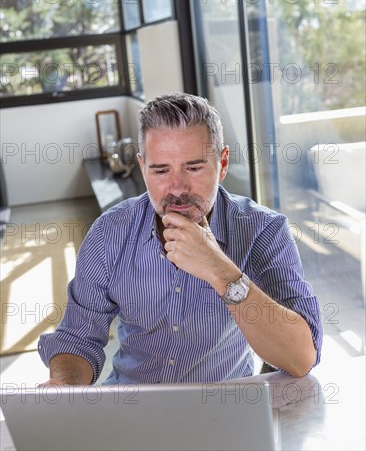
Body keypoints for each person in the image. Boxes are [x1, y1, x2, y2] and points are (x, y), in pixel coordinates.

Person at [39, 93, 322, 385]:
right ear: (142, 169)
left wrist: (219, 270)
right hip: (132, 408)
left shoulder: (264, 231)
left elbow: (301, 358)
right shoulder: (109, 233)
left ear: (222, 164)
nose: (177, 188)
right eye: (160, 170)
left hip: (224, 411)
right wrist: (63, 388)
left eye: (194, 167)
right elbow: (78, 339)